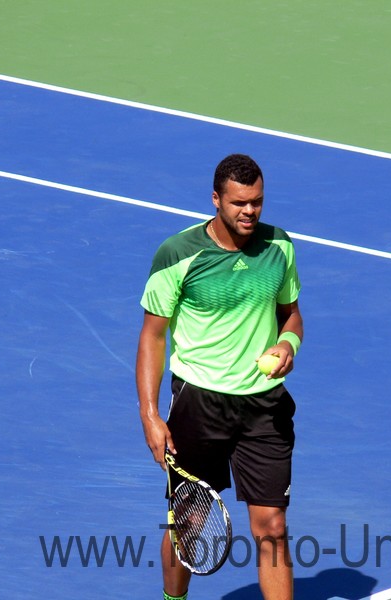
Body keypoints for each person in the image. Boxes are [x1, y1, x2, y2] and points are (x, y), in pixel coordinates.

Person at [136, 154, 303, 600]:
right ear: (216, 200)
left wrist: (288, 345)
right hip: (199, 404)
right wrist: (151, 415)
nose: (249, 212)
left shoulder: (279, 247)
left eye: (258, 202)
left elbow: (292, 317)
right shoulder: (178, 255)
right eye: (239, 203)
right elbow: (153, 337)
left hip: (264, 407)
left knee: (273, 525)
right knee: (188, 523)